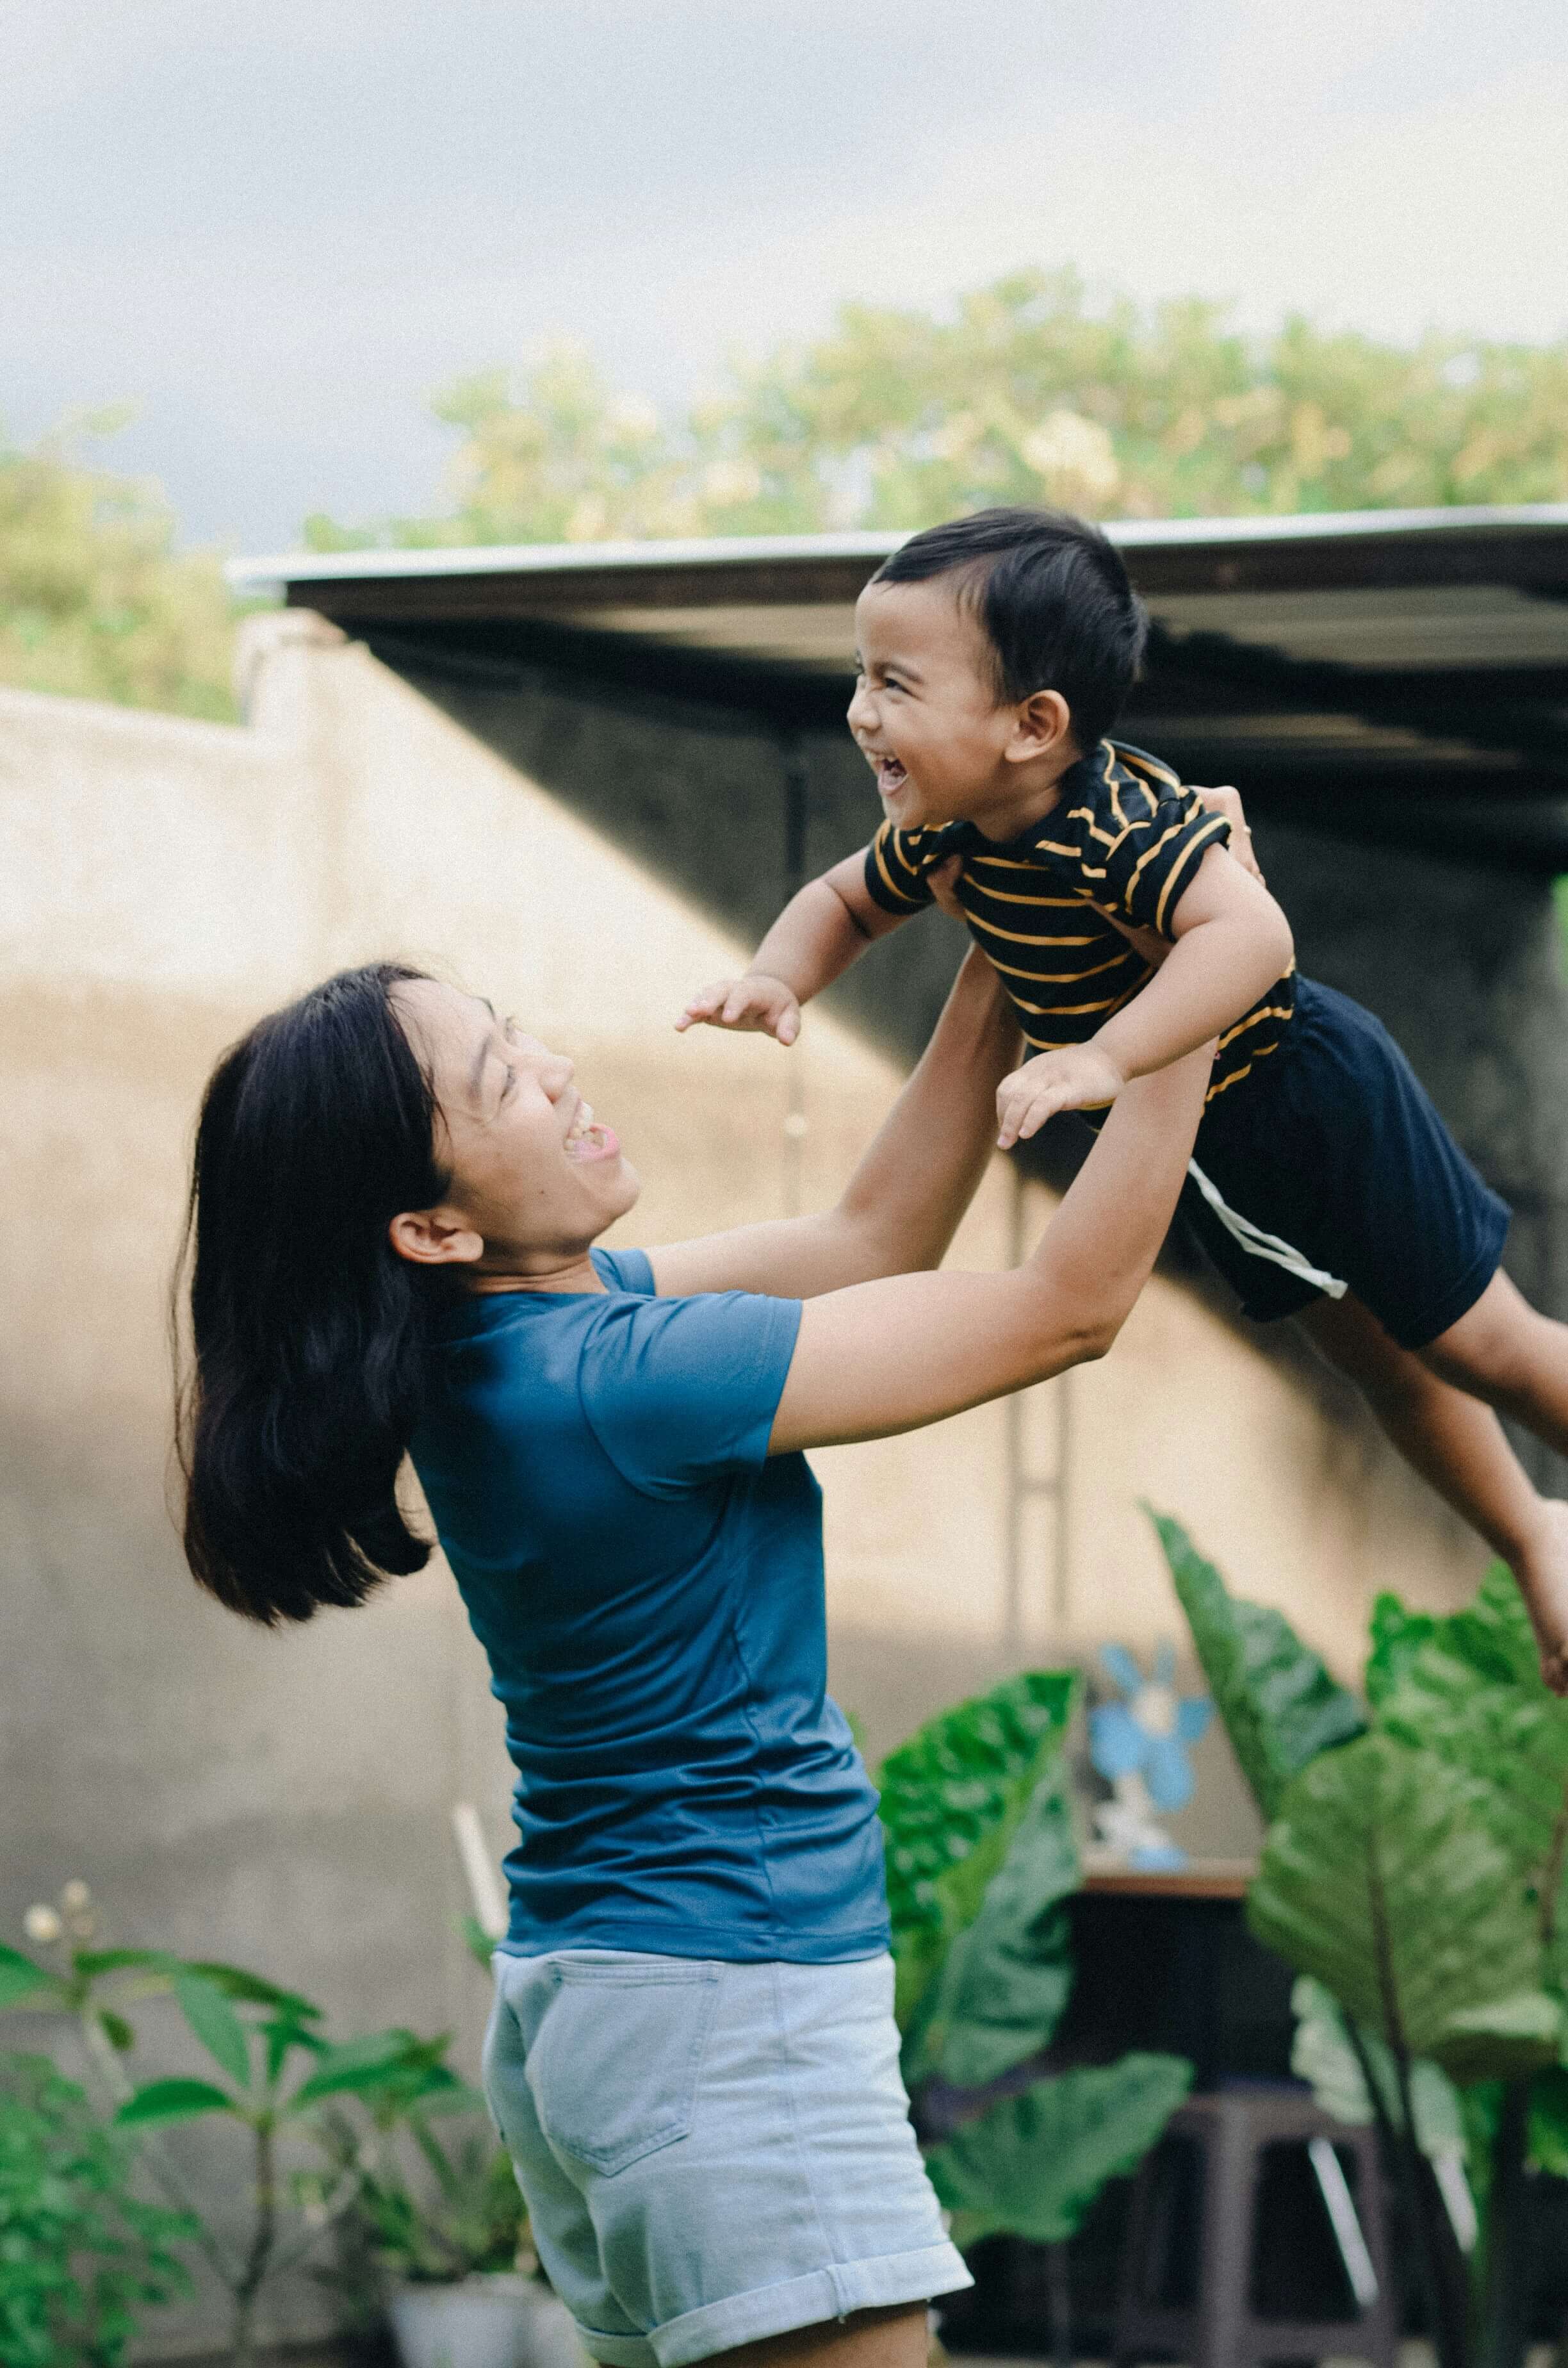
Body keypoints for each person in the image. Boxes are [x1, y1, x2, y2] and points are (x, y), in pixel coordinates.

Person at [177, 946, 1215, 2368]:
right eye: (502, 1080)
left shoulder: (505, 1347)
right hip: (729, 2007)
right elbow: (1067, 1310)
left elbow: (872, 1237)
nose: (555, 1071)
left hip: (613, 2006)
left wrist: (996, 951)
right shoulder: (626, 1378)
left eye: (518, 1033)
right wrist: (1189, 1007)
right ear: (430, 1228)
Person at [677, 506, 1568, 1693]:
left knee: (1486, 1344)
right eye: (860, 676)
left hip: (1308, 1100)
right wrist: (778, 978)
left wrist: (1110, 1055)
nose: (860, 713)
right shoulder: (949, 830)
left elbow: (1251, 934)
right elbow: (842, 901)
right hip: (1216, 1155)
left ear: (1032, 726)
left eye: (895, 684)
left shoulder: (1121, 828)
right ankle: (1534, 1534)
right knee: (1381, 1363)